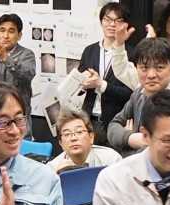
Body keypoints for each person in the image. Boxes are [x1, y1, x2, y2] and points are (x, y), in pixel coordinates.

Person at [56, 2, 134, 147]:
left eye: (118, 20)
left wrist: (102, 85)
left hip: (116, 123)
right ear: (101, 22)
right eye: (107, 19)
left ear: (125, 25)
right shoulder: (90, 51)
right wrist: (83, 81)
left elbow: (132, 93)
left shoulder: (131, 54)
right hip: (88, 120)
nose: (112, 24)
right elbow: (78, 86)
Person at [107, 38, 170, 154]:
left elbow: (154, 151)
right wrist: (131, 138)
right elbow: (113, 126)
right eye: (144, 67)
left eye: (159, 68)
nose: (151, 75)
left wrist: (125, 147)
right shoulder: (139, 93)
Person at [47, 110, 121, 172]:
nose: (73, 138)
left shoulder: (110, 160)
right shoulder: (53, 168)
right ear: (61, 144)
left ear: (91, 137)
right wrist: (56, 176)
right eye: (67, 134)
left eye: (79, 132)